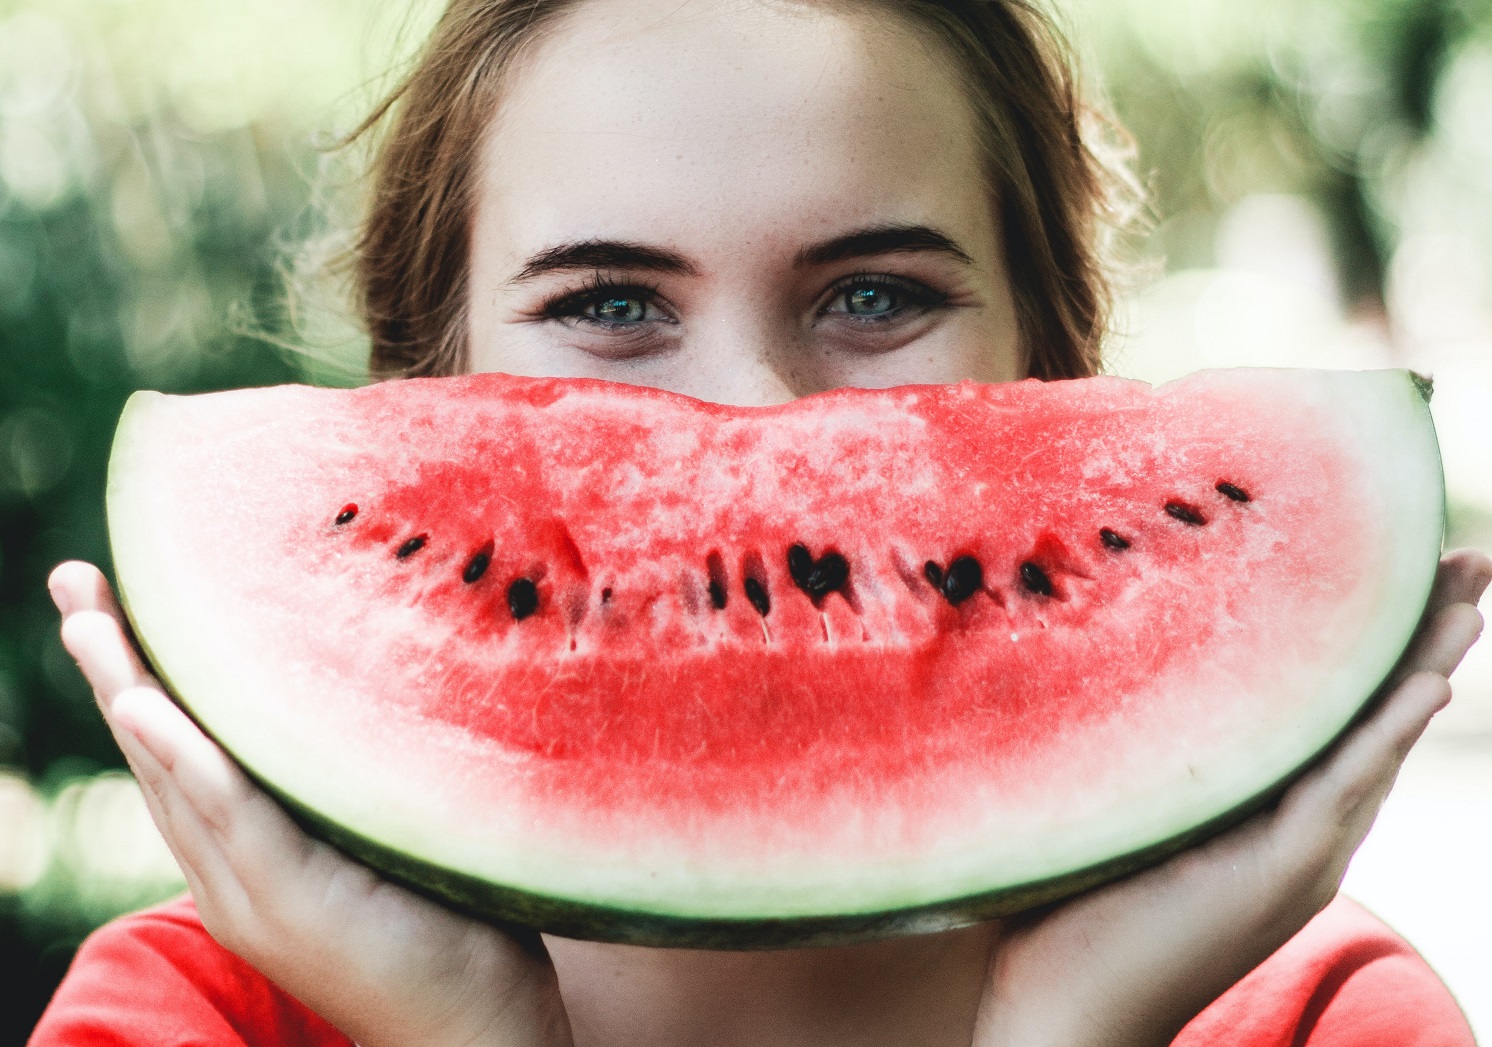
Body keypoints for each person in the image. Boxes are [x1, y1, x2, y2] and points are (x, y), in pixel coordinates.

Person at [32, 0, 1492, 1044]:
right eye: (609, 305)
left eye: (876, 295)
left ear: (1054, 369)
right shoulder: (189, 1018)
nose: (749, 415)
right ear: (425, 390)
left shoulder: (1329, 1020)